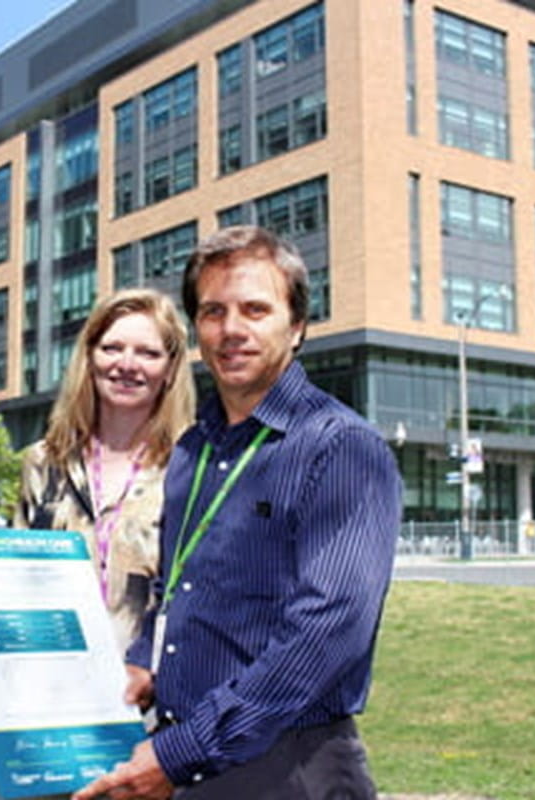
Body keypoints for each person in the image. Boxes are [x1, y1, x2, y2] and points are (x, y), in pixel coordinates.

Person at [73, 226, 402, 800]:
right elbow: (178, 589)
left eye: (255, 309)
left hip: (290, 766)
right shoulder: (192, 451)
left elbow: (327, 632)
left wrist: (181, 754)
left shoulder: (340, 448)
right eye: (213, 311)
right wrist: (145, 660)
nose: (232, 330)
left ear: (297, 326)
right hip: (192, 762)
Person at [18, 288, 196, 654]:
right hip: (56, 683)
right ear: (89, 357)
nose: (127, 364)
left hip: (154, 694)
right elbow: (21, 580)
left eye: (148, 353)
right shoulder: (44, 463)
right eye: (112, 348)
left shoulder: (193, 469)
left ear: (170, 369)